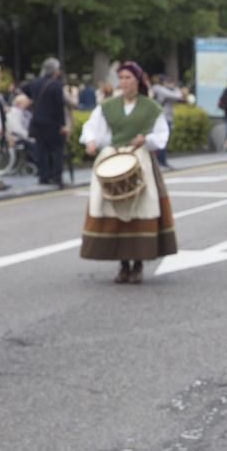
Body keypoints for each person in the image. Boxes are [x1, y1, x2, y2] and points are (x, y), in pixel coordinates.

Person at [79, 61, 177, 284]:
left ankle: (138, 263)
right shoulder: (108, 106)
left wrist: (147, 139)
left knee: (143, 206)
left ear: (138, 81)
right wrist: (91, 141)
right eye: (121, 78)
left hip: (140, 158)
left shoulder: (150, 107)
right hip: (114, 157)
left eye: (128, 78)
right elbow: (92, 127)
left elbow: (162, 134)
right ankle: (123, 264)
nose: (123, 82)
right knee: (111, 208)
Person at [23, 58, 68, 187]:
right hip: (52, 123)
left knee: (41, 149)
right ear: (55, 71)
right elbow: (59, 106)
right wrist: (62, 124)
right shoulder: (57, 85)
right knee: (56, 150)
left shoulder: (35, 83)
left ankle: (43, 177)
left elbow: (24, 88)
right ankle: (56, 177)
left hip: (37, 122)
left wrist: (33, 99)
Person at [151, 75, 185, 169]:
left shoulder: (158, 89)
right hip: (163, 118)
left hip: (164, 117)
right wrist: (176, 88)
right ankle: (161, 161)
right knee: (162, 140)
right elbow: (178, 96)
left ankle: (161, 161)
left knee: (162, 140)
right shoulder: (161, 90)